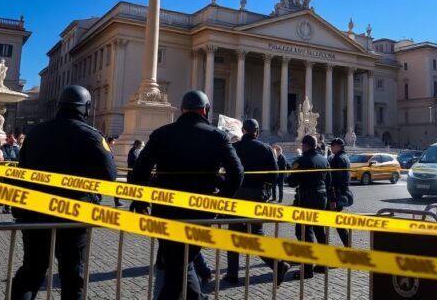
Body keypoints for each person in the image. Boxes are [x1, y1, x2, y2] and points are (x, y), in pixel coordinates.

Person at [130, 90, 243, 300]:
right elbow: (237, 172)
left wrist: (140, 201)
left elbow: (140, 170)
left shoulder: (162, 133)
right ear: (205, 110)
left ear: (182, 109)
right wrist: (221, 200)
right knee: (181, 261)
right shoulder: (218, 136)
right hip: (201, 210)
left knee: (177, 261)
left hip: (165, 209)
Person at [10, 85, 117, 300]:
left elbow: (22, 169)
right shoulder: (92, 136)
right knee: (73, 276)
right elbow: (110, 176)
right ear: (86, 107)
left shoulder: (36, 132)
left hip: (34, 211)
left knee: (31, 270)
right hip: (73, 214)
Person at [224, 119, 290, 285]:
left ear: (243, 131)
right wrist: (265, 187)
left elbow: (227, 171)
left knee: (234, 234)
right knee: (257, 235)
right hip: (257, 195)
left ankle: (232, 274)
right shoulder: (265, 148)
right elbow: (275, 174)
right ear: (257, 132)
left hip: (237, 195)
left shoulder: (235, 148)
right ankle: (278, 264)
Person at [287, 135, 330, 278]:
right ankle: (323, 264)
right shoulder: (324, 160)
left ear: (305, 146)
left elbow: (292, 182)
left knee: (304, 232)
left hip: (307, 198)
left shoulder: (301, 161)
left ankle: (307, 269)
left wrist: (289, 175)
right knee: (320, 231)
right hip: (322, 198)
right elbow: (329, 181)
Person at [328, 137, 353, 247]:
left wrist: (333, 198)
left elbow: (334, 181)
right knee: (338, 222)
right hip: (344, 192)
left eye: (333, 145)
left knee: (337, 222)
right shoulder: (345, 157)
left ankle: (348, 246)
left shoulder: (337, 159)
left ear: (339, 146)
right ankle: (348, 245)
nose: (331, 147)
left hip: (337, 194)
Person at [106, 137, 124, 208]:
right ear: (110, 141)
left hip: (109, 170)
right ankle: (117, 202)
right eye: (113, 141)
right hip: (107, 171)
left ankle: (117, 201)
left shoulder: (110, 149)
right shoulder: (107, 148)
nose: (114, 143)